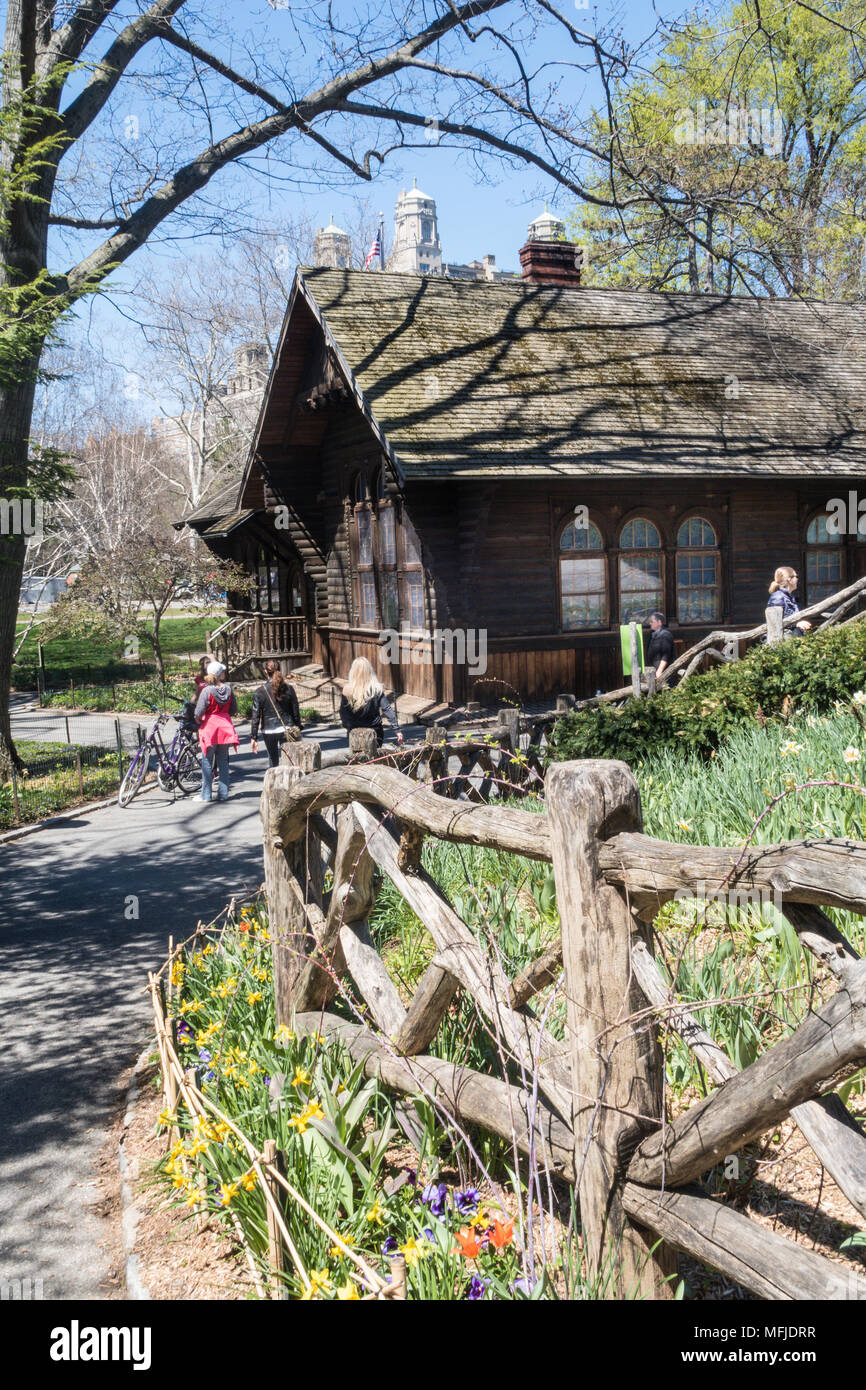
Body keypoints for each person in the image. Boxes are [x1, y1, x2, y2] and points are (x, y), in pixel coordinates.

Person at [194, 660, 239, 802]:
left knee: (207, 762)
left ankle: (206, 795)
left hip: (210, 728)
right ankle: (223, 794)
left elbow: (198, 711)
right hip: (225, 728)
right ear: (220, 675)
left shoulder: (207, 691)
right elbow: (234, 710)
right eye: (223, 671)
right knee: (223, 762)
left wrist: (198, 719)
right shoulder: (229, 690)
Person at [339, 657, 403, 747]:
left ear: (353, 672)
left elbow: (343, 712)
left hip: (354, 733)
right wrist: (397, 730)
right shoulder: (376, 689)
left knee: (358, 759)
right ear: (369, 671)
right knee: (374, 758)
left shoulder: (347, 690)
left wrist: (348, 726)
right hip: (375, 732)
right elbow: (387, 709)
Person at [251, 660, 302, 767]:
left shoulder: (260, 691)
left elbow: (255, 716)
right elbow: (295, 710)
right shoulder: (289, 689)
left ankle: (275, 781)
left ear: (266, 671)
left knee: (272, 759)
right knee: (289, 759)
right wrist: (298, 726)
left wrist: (254, 737)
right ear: (279, 670)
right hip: (287, 728)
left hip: (268, 730)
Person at [767, 566, 812, 634]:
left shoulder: (790, 597)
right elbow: (776, 622)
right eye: (796, 576)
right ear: (789, 579)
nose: (797, 579)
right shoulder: (777, 597)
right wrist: (796, 624)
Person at [646, 611, 674, 679]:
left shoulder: (665, 635)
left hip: (664, 672)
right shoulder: (654, 634)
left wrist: (659, 671)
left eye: (652, 621)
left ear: (659, 622)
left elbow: (666, 655)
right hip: (654, 671)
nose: (650, 623)